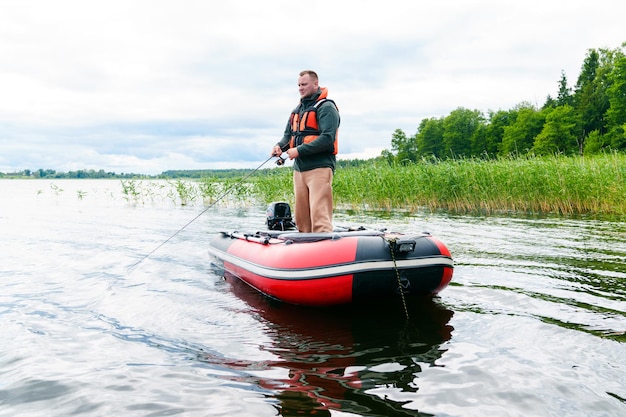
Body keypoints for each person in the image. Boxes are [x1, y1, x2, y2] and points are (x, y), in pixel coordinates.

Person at [271, 70, 340, 233]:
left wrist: (299, 151)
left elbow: (327, 138)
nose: (301, 88)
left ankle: (325, 248)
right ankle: (305, 251)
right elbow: (288, 136)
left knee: (319, 215)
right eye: (299, 85)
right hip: (299, 170)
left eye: (304, 84)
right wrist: (279, 146)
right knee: (301, 218)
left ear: (315, 84)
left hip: (320, 167)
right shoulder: (297, 110)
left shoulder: (327, 107)